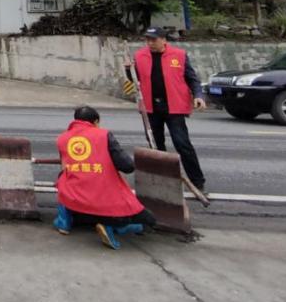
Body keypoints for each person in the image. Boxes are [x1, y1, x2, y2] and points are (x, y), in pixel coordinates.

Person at [54, 105, 156, 250]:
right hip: (105, 198)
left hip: (75, 198)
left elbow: (65, 167)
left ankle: (64, 222)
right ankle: (116, 227)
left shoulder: (62, 139)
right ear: (95, 121)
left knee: (63, 179)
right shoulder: (103, 135)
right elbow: (127, 166)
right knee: (149, 221)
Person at [133, 27, 207, 191]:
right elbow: (134, 79)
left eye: (154, 39)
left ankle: (197, 180)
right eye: (148, 40)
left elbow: (192, 78)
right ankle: (163, 179)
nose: (150, 43)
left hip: (174, 107)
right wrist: (127, 69)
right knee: (156, 145)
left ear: (163, 40)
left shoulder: (179, 55)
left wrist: (198, 95)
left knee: (182, 143)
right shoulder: (139, 56)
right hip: (150, 108)